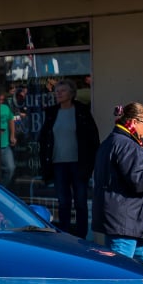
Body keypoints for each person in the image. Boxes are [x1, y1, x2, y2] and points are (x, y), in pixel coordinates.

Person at [91, 103, 143, 264]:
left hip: (132, 221)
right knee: (120, 270)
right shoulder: (127, 145)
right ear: (135, 122)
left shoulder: (115, 141)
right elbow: (140, 181)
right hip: (125, 222)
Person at [37, 79, 99, 237]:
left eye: (62, 90)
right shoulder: (51, 112)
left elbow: (92, 138)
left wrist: (90, 163)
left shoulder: (82, 111)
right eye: (57, 90)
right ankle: (64, 236)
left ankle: (81, 237)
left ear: (71, 93)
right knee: (63, 202)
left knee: (80, 202)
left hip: (79, 163)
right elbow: (44, 138)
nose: (58, 93)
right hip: (59, 163)